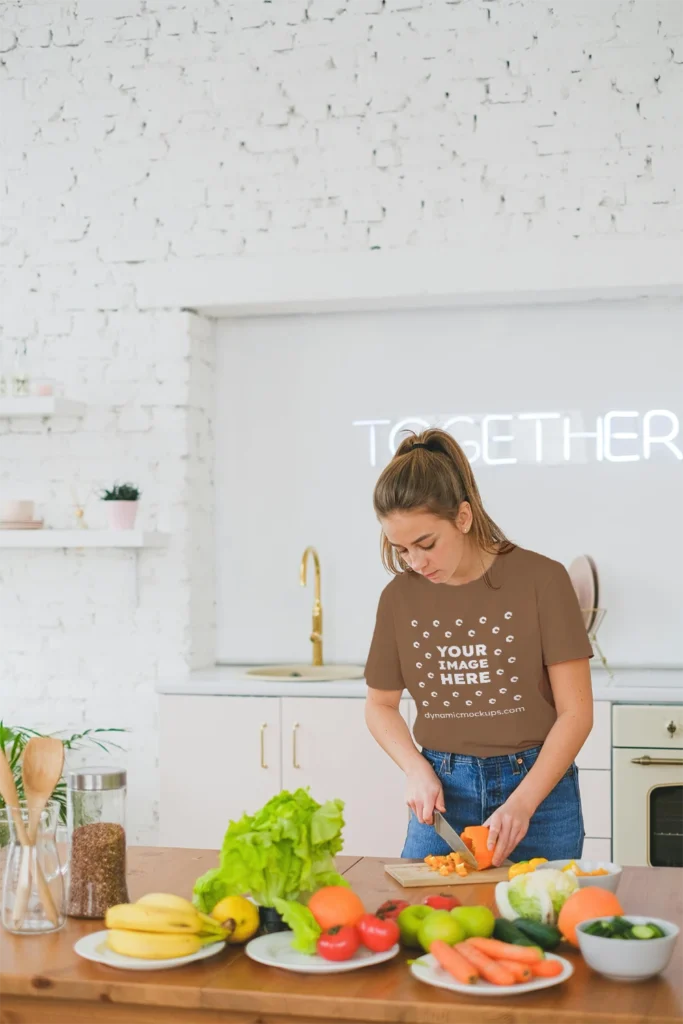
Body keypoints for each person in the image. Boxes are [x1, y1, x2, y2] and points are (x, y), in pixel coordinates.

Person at [364, 428, 593, 867]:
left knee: (539, 925)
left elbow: (577, 713)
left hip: (539, 791)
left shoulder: (542, 580)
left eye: (426, 544)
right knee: (427, 926)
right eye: (402, 549)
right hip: (444, 792)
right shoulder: (399, 598)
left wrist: (523, 803)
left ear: (463, 517)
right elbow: (380, 705)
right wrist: (415, 769)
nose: (415, 562)